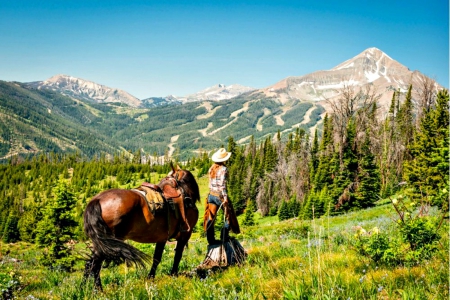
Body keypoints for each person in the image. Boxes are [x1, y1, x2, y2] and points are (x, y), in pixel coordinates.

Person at [204, 148, 240, 245]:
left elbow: (210, 183)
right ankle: (224, 235)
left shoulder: (211, 168)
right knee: (229, 216)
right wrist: (225, 198)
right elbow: (222, 185)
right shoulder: (224, 169)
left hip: (211, 195)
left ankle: (210, 239)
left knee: (211, 218)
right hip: (220, 196)